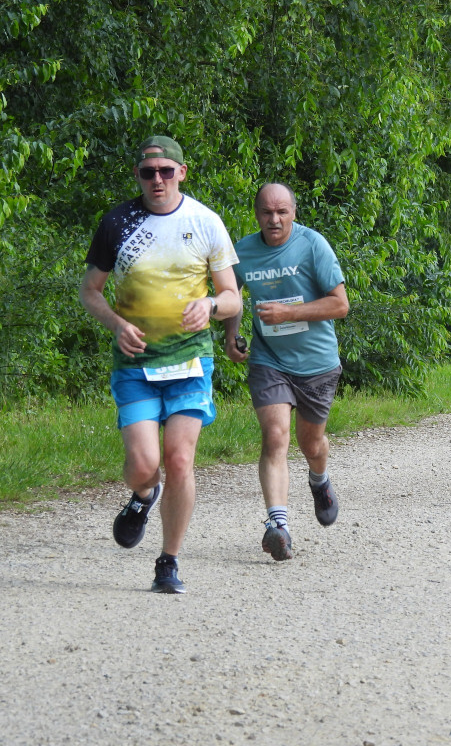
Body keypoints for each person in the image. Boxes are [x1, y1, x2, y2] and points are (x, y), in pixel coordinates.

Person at [79, 136, 241, 594]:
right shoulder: (117, 223)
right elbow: (90, 291)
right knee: (143, 464)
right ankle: (144, 493)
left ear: (181, 173)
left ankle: (168, 561)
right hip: (136, 363)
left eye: (166, 171)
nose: (157, 180)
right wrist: (116, 324)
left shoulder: (205, 221)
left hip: (190, 360)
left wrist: (210, 305)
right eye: (149, 172)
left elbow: (232, 297)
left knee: (180, 459)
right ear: (137, 175)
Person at [224, 183, 349, 562]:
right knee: (275, 436)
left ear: (294, 212)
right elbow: (231, 295)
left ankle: (319, 480)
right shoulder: (243, 251)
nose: (274, 219)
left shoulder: (313, 245)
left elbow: (340, 305)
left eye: (282, 212)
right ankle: (278, 526)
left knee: (311, 444)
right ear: (256, 214)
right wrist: (232, 335)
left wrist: (289, 313)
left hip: (316, 364)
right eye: (266, 212)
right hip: (269, 360)